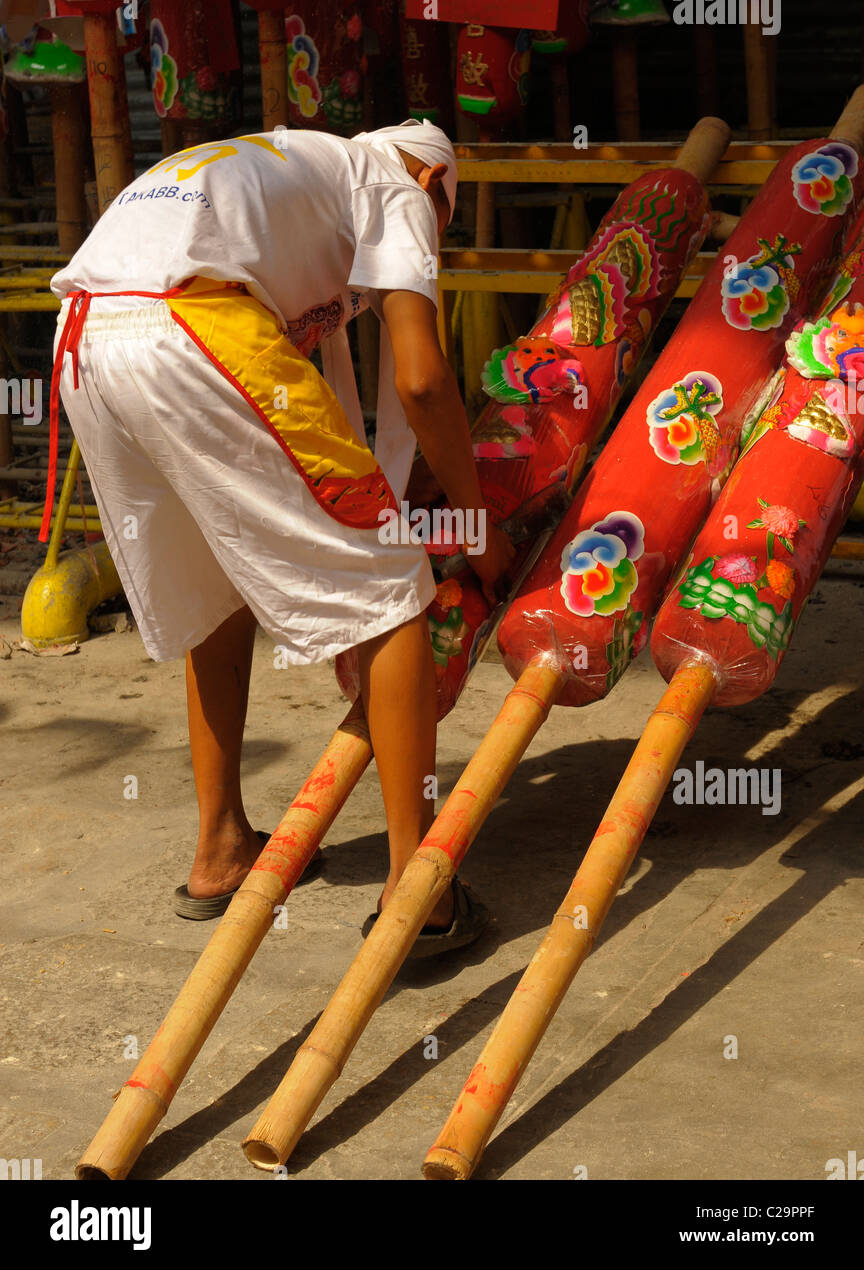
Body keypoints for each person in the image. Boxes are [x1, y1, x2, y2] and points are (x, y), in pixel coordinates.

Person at [42, 118, 514, 954]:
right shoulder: (397, 183)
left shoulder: (296, 164)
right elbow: (422, 381)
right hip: (191, 326)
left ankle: (221, 847)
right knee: (392, 585)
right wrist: (478, 532)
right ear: (440, 186)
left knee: (213, 588)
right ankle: (421, 893)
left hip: (85, 334)